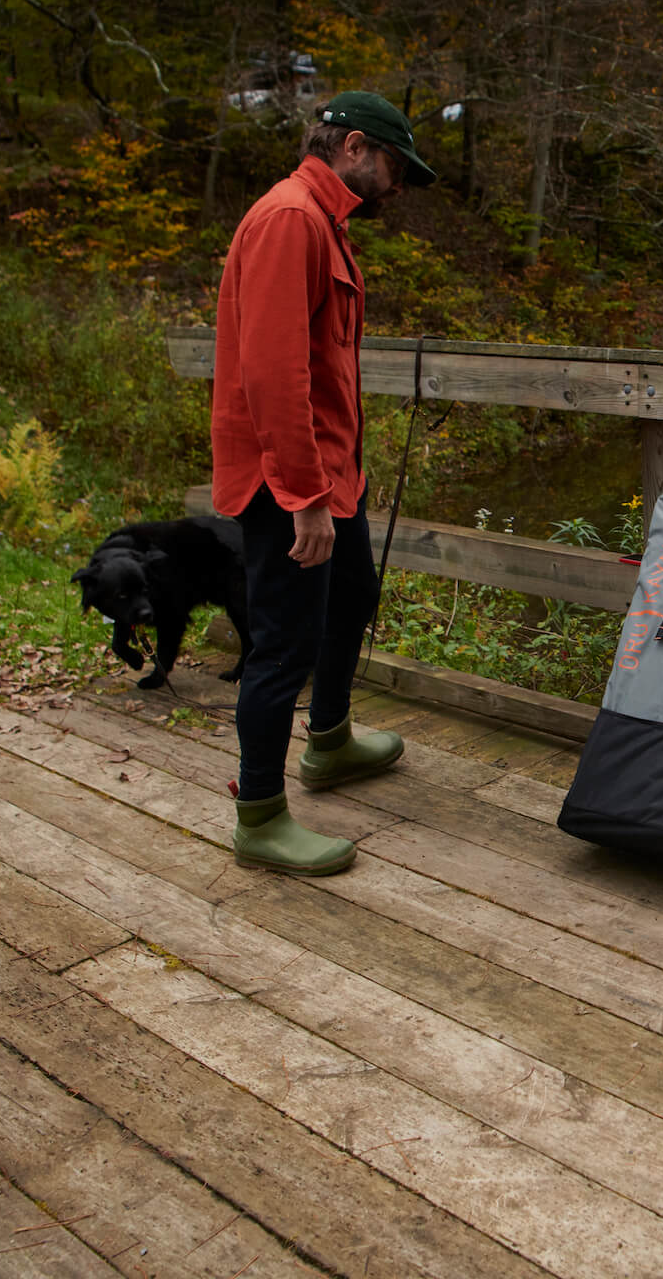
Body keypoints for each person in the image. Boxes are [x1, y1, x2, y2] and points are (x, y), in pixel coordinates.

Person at [210, 90, 437, 875]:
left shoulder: (323, 221)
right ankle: (260, 817)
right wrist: (303, 498)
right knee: (284, 644)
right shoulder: (291, 220)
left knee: (354, 598)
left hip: (331, 468)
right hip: (291, 480)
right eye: (395, 167)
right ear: (352, 148)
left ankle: (331, 741)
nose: (397, 185)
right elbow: (271, 373)